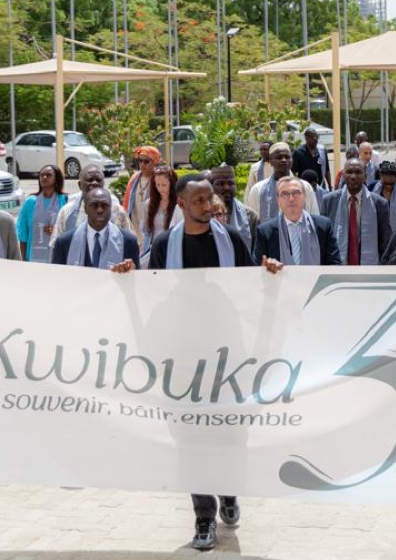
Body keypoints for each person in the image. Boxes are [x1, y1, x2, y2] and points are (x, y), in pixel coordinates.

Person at [147, 174, 255, 552]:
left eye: (210, 199)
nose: (209, 206)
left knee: (230, 435)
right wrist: (127, 281)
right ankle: (204, 517)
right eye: (199, 201)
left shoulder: (233, 241)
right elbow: (153, 294)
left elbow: (254, 287)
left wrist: (272, 273)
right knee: (191, 441)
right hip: (183, 362)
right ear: (181, 204)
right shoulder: (164, 245)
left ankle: (229, 493)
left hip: (228, 360)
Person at [253, 176, 341, 266]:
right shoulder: (265, 231)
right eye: (284, 194)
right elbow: (256, 269)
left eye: (296, 193)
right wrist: (267, 268)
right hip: (280, 280)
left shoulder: (323, 226)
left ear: (305, 197)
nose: (291, 198)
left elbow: (335, 264)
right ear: (278, 200)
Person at [319, 158, 391, 265]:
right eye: (349, 172)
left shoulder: (380, 204)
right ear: (343, 175)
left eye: (358, 172)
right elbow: (323, 241)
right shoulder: (328, 201)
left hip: (369, 268)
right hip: (338, 268)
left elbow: (385, 242)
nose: (353, 176)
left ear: (365, 176)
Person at [51, 187, 140, 271]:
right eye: (94, 205)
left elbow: (136, 281)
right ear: (85, 209)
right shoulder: (64, 242)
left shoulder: (128, 242)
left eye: (105, 205)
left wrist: (130, 270)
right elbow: (57, 278)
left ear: (111, 208)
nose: (100, 210)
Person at [50, 164, 131, 240]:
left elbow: (128, 240)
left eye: (98, 180)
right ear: (80, 185)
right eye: (90, 180)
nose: (95, 183)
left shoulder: (116, 210)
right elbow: (56, 244)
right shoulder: (67, 211)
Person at [245, 142, 319, 221]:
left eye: (287, 157)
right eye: (279, 157)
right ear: (270, 161)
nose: (284, 160)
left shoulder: (305, 187)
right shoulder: (258, 190)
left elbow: (314, 216)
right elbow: (252, 221)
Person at [17, 165, 69, 262]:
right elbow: (23, 234)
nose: (44, 177)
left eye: (48, 175)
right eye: (42, 175)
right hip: (33, 258)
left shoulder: (65, 200)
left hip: (58, 257)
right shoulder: (30, 202)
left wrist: (56, 231)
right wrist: (23, 260)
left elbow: (71, 230)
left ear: (57, 179)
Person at [209, 164, 258, 252]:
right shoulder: (203, 215)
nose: (226, 187)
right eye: (220, 183)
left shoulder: (251, 217)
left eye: (231, 183)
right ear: (210, 186)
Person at [141, 164, 183, 262]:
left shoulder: (180, 204)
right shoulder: (149, 204)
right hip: (155, 251)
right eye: (157, 185)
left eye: (164, 185)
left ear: (172, 184)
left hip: (175, 250)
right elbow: (146, 231)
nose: (160, 189)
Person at [122, 146, 162, 248]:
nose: (142, 164)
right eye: (140, 161)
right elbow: (126, 203)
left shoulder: (159, 179)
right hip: (134, 226)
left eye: (146, 161)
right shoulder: (134, 178)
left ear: (155, 162)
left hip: (152, 228)